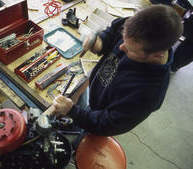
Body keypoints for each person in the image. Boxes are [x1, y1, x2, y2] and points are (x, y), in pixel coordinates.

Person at [52, 4, 183, 136]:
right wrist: (99, 41)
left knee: (84, 137)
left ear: (157, 55)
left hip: (101, 116)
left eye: (130, 50)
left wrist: (74, 112)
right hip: (96, 92)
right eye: (123, 40)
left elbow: (107, 125)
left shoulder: (149, 93)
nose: (121, 48)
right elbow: (111, 32)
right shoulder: (135, 28)